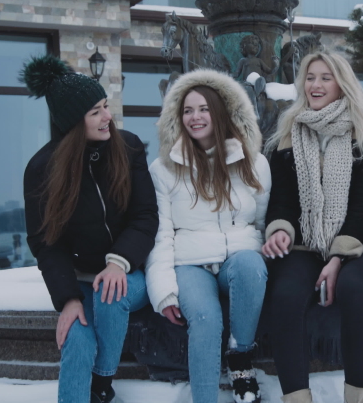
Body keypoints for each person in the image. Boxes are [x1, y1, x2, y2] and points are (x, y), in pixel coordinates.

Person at [22, 55, 158, 403]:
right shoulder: (42, 169)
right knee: (78, 340)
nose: (107, 117)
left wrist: (119, 261)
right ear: (72, 122)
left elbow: (145, 216)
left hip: (129, 274)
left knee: (111, 295)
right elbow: (44, 242)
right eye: (96, 111)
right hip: (79, 281)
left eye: (106, 106)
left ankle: (101, 384)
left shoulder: (128, 149)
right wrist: (67, 299)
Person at [262, 52, 363, 403]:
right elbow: (282, 201)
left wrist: (337, 258)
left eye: (325, 77)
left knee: (353, 286)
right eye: (310, 77)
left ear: (342, 83)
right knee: (286, 295)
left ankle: (358, 398)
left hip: (361, 242)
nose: (316, 85)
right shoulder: (288, 136)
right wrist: (281, 229)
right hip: (305, 243)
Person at [145, 69, 271, 403]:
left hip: (237, 259)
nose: (195, 117)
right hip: (189, 265)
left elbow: (260, 225)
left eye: (203, 109)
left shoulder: (254, 163)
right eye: (187, 110)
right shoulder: (162, 169)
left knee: (250, 264)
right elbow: (161, 234)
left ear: (220, 113)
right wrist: (163, 292)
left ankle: (240, 357)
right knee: (205, 319)